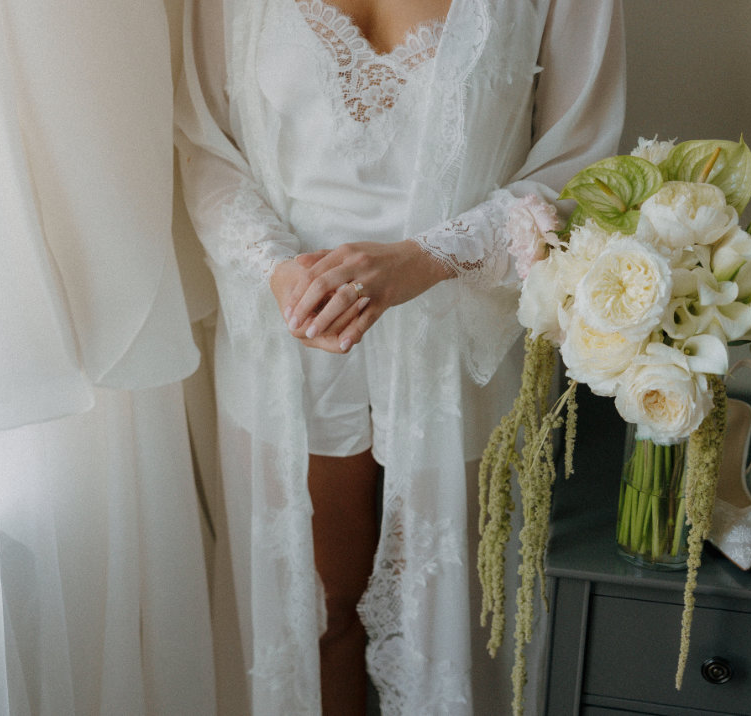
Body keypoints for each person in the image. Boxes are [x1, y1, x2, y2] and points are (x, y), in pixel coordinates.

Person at [175, 0, 624, 713]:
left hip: (462, 339)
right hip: (287, 333)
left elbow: (585, 164)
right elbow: (205, 149)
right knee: (316, 616)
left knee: (446, 619)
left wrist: (426, 258)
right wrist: (278, 270)